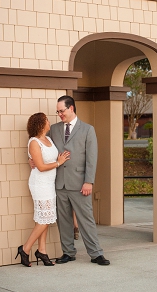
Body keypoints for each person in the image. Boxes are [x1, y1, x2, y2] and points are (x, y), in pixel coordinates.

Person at [37, 95, 110, 265]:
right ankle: (68, 252)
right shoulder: (54, 129)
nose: (59, 114)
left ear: (71, 108)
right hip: (59, 182)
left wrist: (89, 181)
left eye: (61, 111)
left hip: (80, 183)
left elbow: (92, 158)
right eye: (57, 112)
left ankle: (96, 253)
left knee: (86, 219)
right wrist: (32, 158)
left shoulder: (87, 129)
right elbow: (38, 141)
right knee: (64, 220)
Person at [15, 112, 70, 267]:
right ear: (40, 123)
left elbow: (47, 158)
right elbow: (40, 166)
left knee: (44, 218)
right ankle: (25, 249)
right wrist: (59, 163)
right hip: (39, 184)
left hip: (49, 184)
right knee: (45, 219)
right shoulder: (34, 142)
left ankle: (42, 251)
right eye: (46, 120)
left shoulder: (49, 139)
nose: (49, 122)